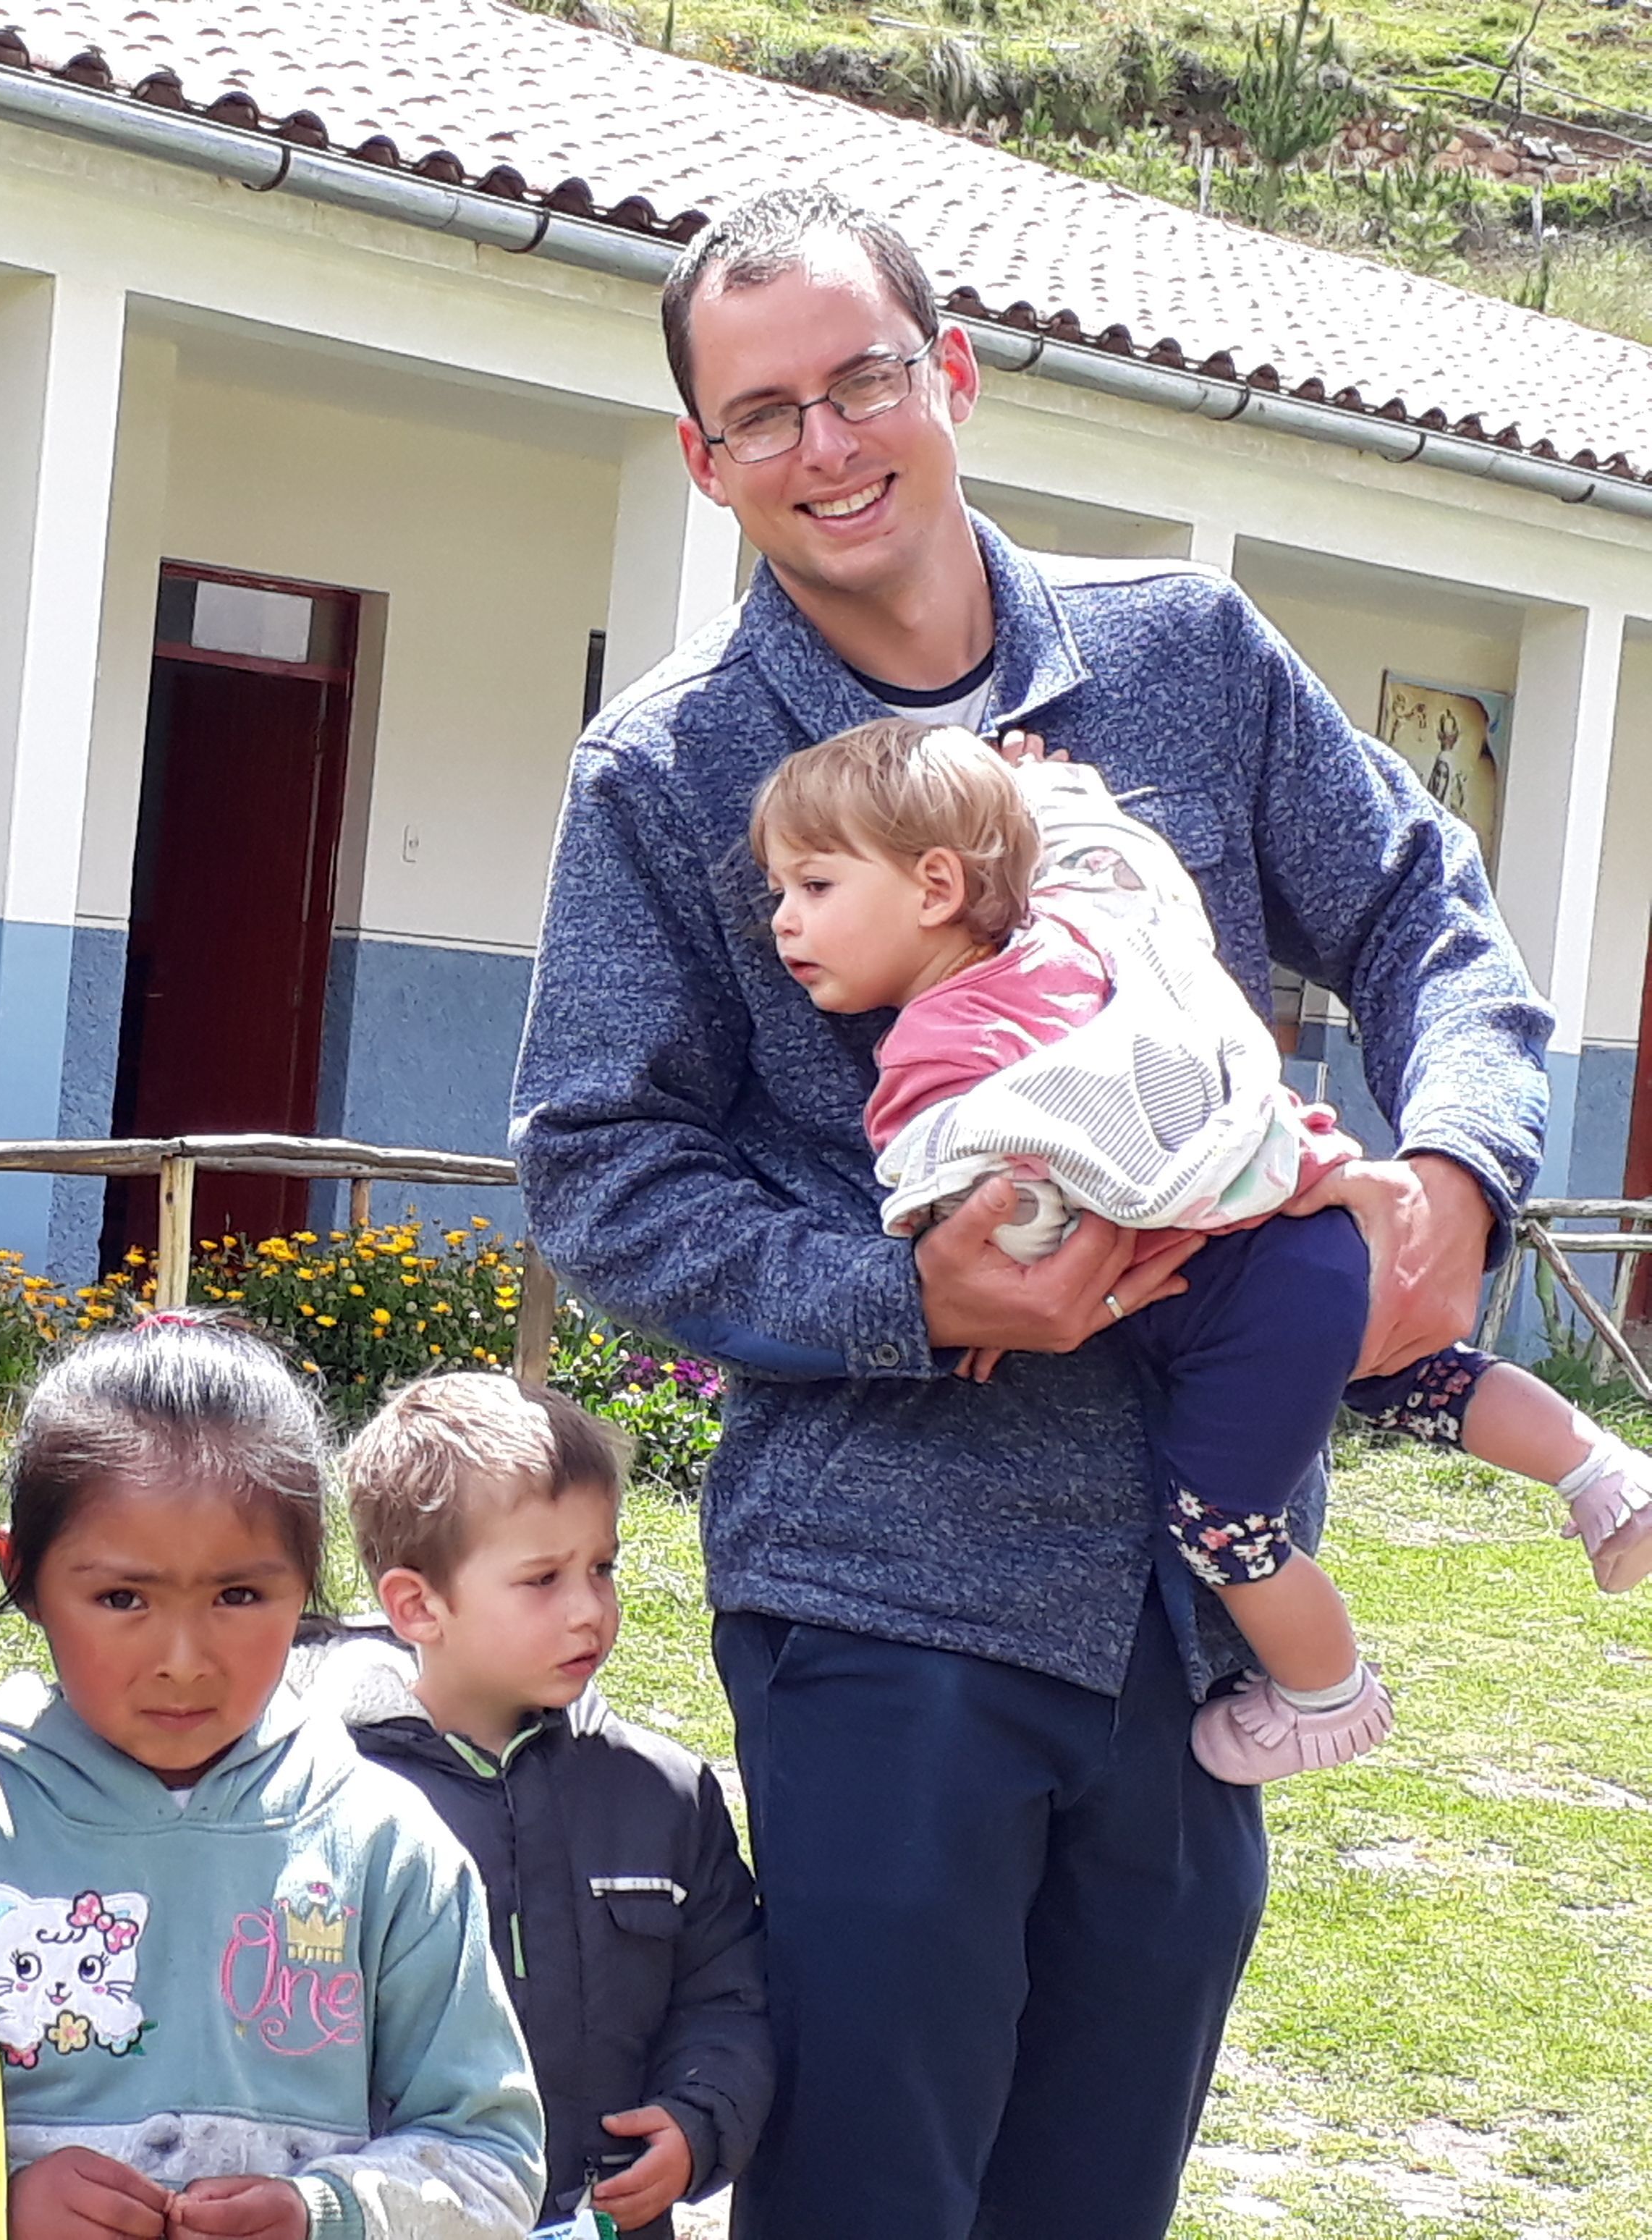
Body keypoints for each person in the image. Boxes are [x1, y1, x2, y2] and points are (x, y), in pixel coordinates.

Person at [511, 185, 1554, 2238]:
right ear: (707, 465)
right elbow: (596, 1165)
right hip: (885, 1607)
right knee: (872, 2198)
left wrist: (1456, 1170)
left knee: (1099, 2197)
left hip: (1196, 1623)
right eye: (764, 414)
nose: (829, 445)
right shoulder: (669, 773)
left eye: (865, 379)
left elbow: (1430, 913)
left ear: (954, 375)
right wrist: (907, 1292)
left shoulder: (1191, 659)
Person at [751, 721, 1652, 1779]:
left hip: (1240, 1306)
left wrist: (948, 1271)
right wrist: (1048, 792)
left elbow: (1011, 1212)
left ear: (938, 886)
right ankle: (1603, 1474)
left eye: (812, 886)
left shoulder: (952, 1047)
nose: (782, 923)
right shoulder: (1076, 933)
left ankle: (1329, 1695)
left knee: (1225, 1526)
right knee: (1416, 1379)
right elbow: (1106, 862)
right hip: (1307, 1231)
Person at [0, 1317, 546, 2240]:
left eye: (238, 1597)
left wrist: (324, 2213)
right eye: (122, 1599)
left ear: (308, 1580)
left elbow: (495, 2165)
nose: (183, 1661)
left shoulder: (384, 1844)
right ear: (21, 1573)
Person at [306, 1374, 768, 2236]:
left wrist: (697, 2118)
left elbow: (727, 1994)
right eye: (543, 1579)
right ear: (418, 1605)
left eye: (601, 1568)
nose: (590, 1609)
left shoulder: (662, 1794)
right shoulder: (327, 1801)